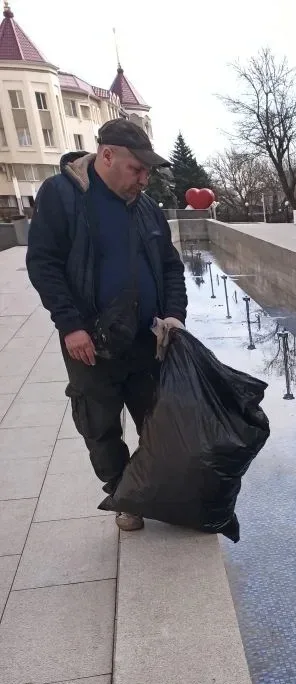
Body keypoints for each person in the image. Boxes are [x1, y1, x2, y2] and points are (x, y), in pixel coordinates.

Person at [26, 119, 187, 532]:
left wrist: (174, 315)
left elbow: (170, 266)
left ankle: (157, 489)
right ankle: (124, 497)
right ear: (107, 155)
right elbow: (44, 264)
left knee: (158, 420)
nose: (144, 179)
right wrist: (69, 325)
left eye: (148, 171)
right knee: (100, 425)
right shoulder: (64, 195)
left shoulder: (146, 207)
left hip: (146, 339)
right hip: (91, 342)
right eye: (138, 169)